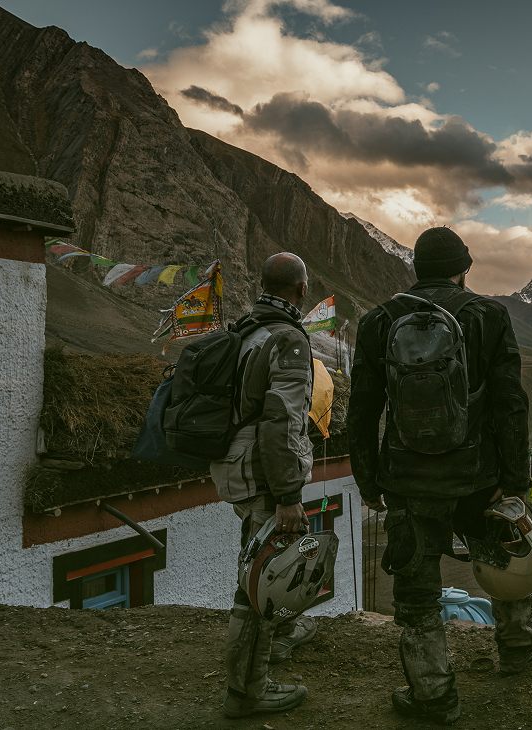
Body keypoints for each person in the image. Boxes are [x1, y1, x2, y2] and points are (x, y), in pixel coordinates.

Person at [348, 227, 532, 726]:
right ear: (464, 267)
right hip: (480, 478)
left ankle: (433, 693)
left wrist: (368, 481)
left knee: (416, 590)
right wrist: (515, 482)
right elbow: (510, 404)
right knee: (502, 560)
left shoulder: (377, 322)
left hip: (407, 482)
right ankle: (518, 647)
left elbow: (364, 410)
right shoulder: (490, 316)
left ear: (416, 269)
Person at [216, 252, 318, 718]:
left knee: (257, 565)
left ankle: (274, 645)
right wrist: (288, 497)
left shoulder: (246, 330)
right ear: (301, 289)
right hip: (263, 473)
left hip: (236, 463)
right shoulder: (289, 340)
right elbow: (281, 422)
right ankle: (247, 691)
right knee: (260, 579)